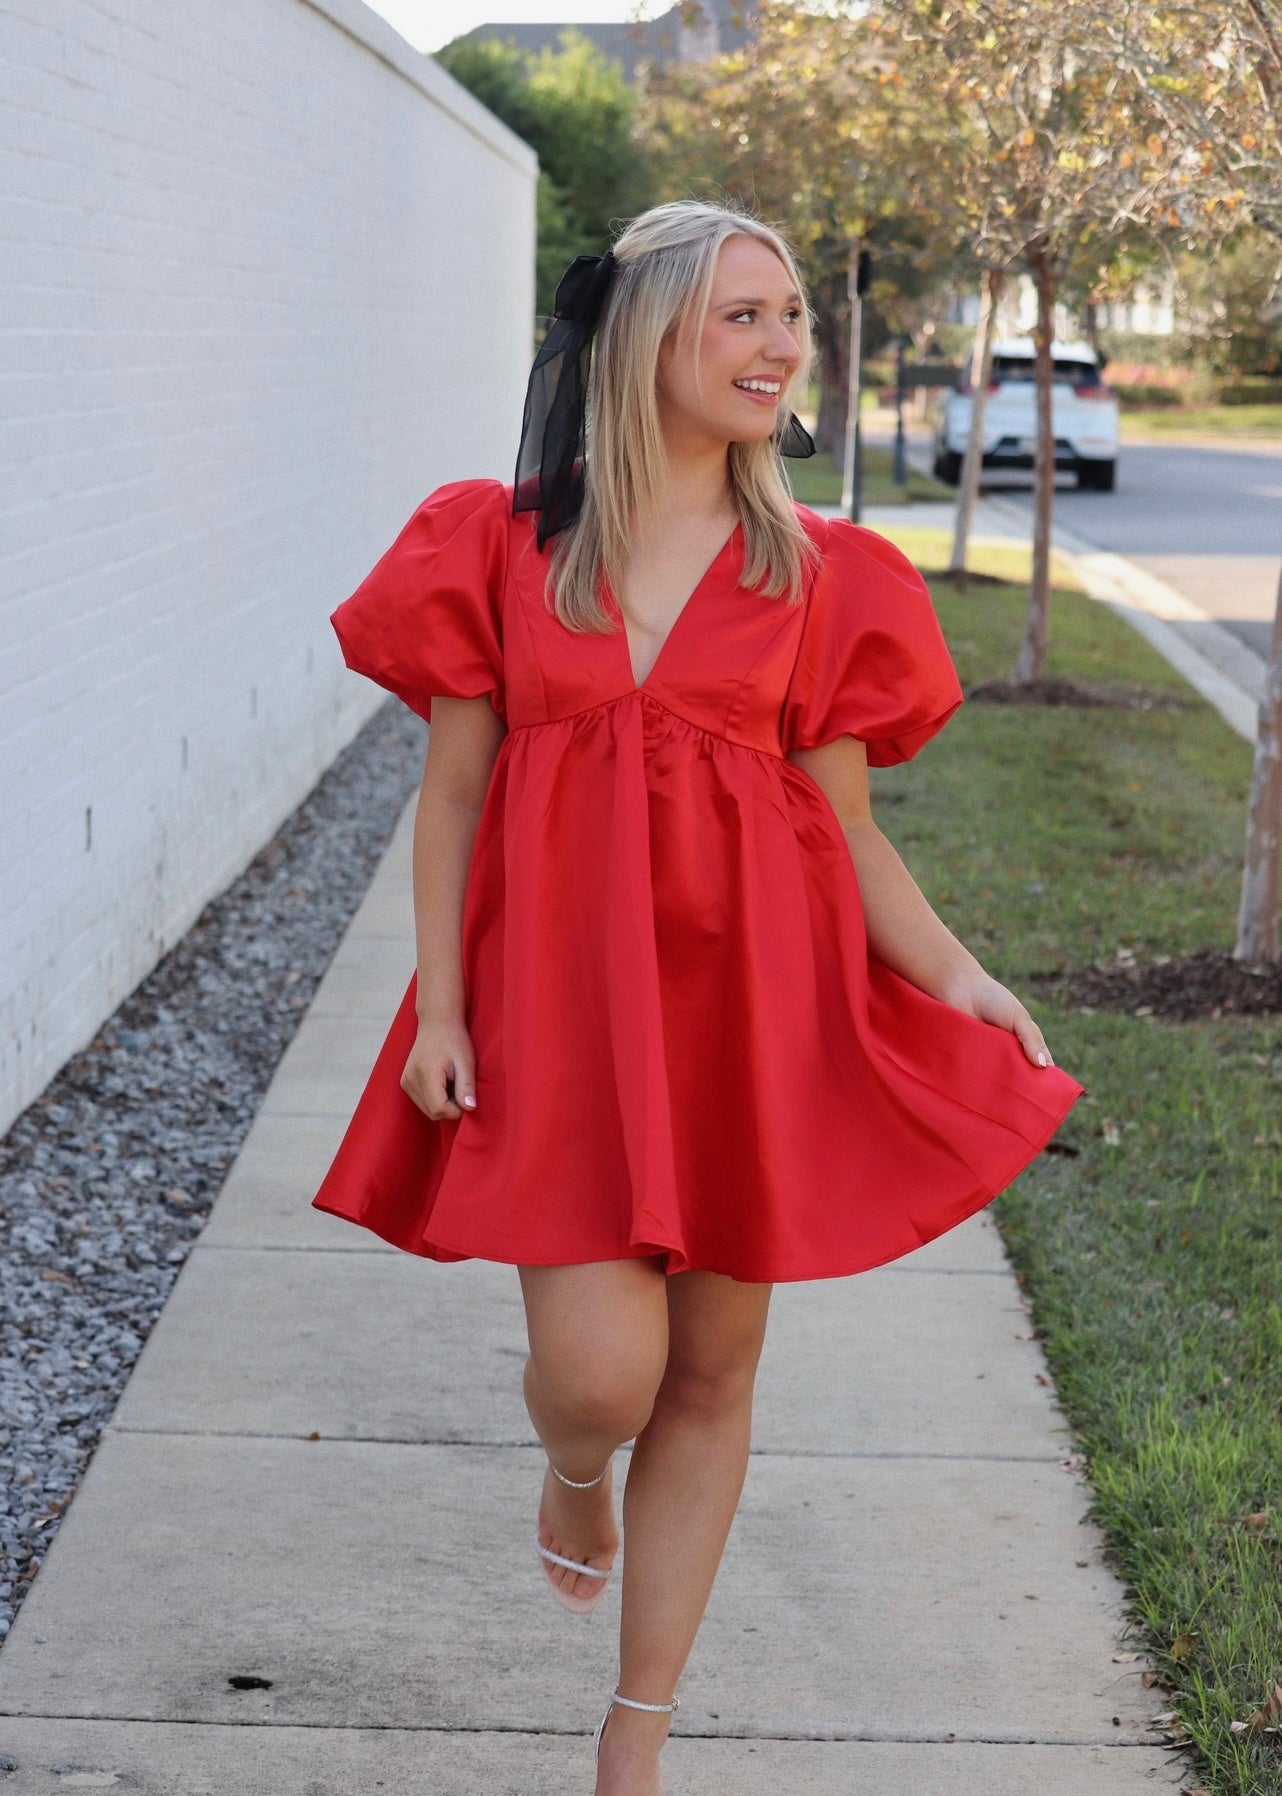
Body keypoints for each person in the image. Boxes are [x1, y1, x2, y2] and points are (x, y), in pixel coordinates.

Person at [311, 198, 1084, 1796]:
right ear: (645, 335)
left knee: (714, 1373)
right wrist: (441, 1008)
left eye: (789, 315)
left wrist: (957, 973)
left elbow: (845, 834)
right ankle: (573, 1470)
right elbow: (451, 800)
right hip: (558, 1017)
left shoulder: (823, 574)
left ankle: (636, 1730)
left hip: (752, 1022)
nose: (781, 343)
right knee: (602, 1375)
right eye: (740, 314)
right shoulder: (501, 543)